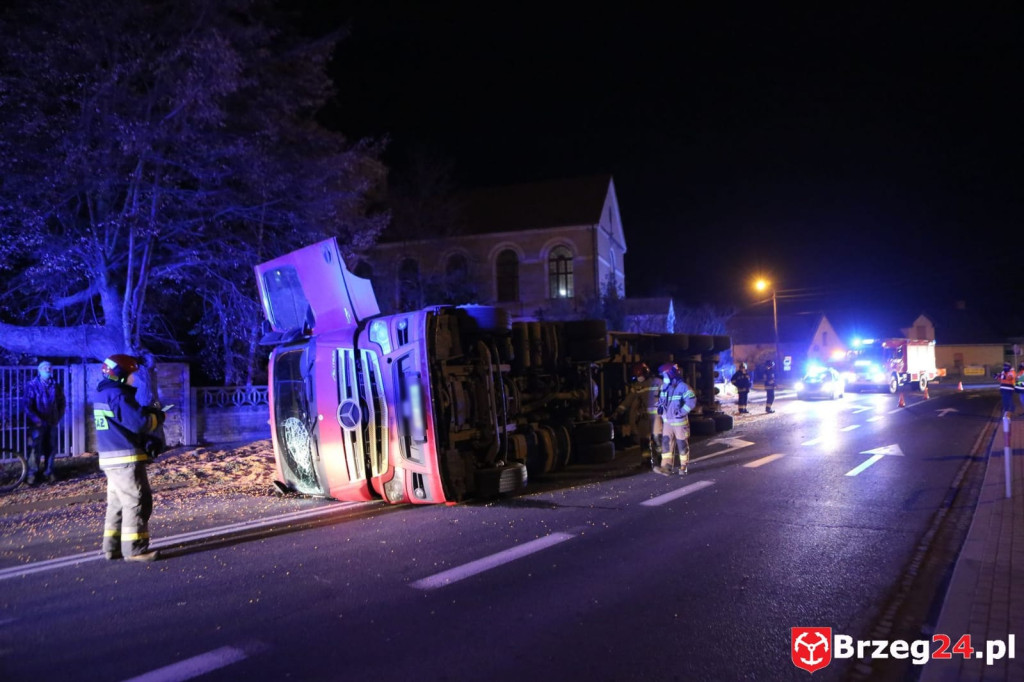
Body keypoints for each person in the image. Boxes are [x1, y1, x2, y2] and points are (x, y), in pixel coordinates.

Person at [94, 354, 166, 562]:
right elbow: (139, 423)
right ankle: (135, 550)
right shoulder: (118, 395)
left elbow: (123, 419)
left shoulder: (102, 394)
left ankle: (112, 547)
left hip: (110, 458)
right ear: (120, 375)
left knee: (117, 503)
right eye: (131, 374)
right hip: (124, 458)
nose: (133, 379)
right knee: (136, 502)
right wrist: (157, 417)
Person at [611, 363, 662, 468]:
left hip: (652, 417)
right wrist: (619, 411)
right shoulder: (656, 382)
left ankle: (658, 460)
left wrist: (618, 412)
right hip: (650, 417)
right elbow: (628, 400)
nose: (639, 377)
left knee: (652, 440)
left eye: (640, 375)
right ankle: (649, 461)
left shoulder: (653, 383)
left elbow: (628, 401)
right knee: (646, 440)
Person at [24, 361, 66, 485]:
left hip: (51, 422)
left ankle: (49, 472)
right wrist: (36, 420)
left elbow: (62, 403)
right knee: (35, 449)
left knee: (51, 448)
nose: (47, 370)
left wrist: (57, 417)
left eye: (49, 367)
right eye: (44, 368)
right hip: (36, 424)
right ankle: (32, 474)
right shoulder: (32, 385)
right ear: (39, 370)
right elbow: (27, 405)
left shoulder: (56, 385)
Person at [654, 362, 697, 476]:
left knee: (681, 444)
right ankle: (666, 467)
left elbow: (691, 402)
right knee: (666, 444)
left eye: (665, 375)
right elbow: (662, 401)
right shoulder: (664, 387)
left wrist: (681, 412)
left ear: (671, 374)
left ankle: (684, 466)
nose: (664, 378)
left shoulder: (683, 387)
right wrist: (659, 407)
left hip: (679, 422)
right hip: (667, 422)